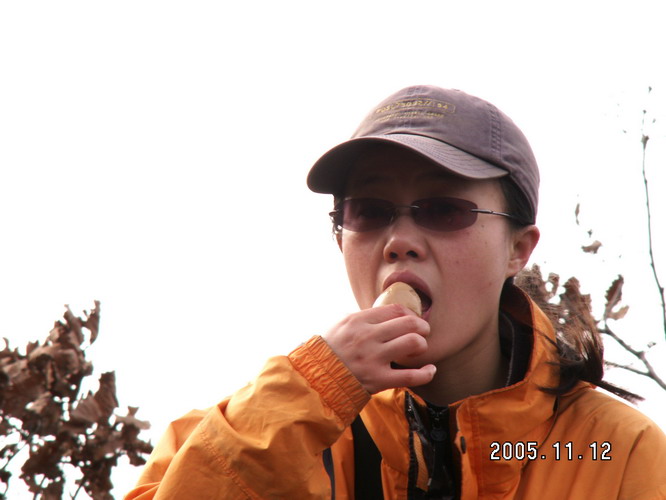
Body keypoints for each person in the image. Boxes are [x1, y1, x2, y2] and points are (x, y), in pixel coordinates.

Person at [126, 85, 666, 499]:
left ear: (517, 249)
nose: (399, 241)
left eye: (444, 209)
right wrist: (312, 392)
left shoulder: (618, 452)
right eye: (370, 211)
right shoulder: (238, 437)